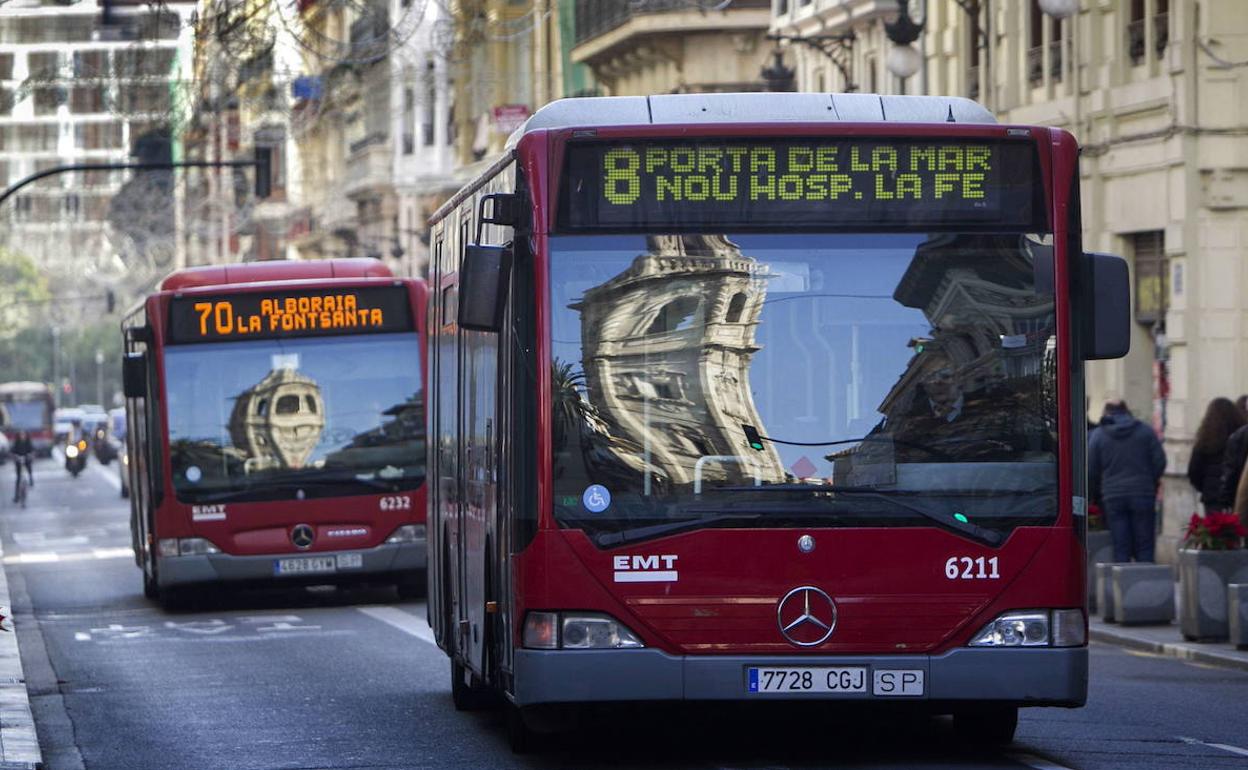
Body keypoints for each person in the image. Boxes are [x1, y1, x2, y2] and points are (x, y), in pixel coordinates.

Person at [1088, 399, 1166, 562]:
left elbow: (1092, 470)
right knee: (1145, 545)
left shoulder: (1099, 435)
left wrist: (1097, 492)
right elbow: (1160, 461)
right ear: (1127, 411)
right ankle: (1146, 583)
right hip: (1143, 493)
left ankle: (1124, 585)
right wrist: (1149, 481)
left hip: (1112, 495)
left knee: (1120, 545)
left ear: (1106, 413)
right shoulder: (1145, 431)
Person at [1186, 397, 1244, 512]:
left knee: (1214, 528)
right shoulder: (1240, 438)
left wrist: (1206, 487)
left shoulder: (1204, 439)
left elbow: (1194, 471)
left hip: (1211, 496)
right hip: (1236, 495)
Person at [11, 430, 33, 502]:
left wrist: (30, 455)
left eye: (24, 435)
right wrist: (15, 456)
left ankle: (31, 479)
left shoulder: (28, 442)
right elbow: (12, 451)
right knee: (18, 478)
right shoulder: (16, 443)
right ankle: (16, 495)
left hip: (26, 460)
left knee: (29, 469)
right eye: (21, 435)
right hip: (19, 461)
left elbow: (32, 450)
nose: (22, 436)